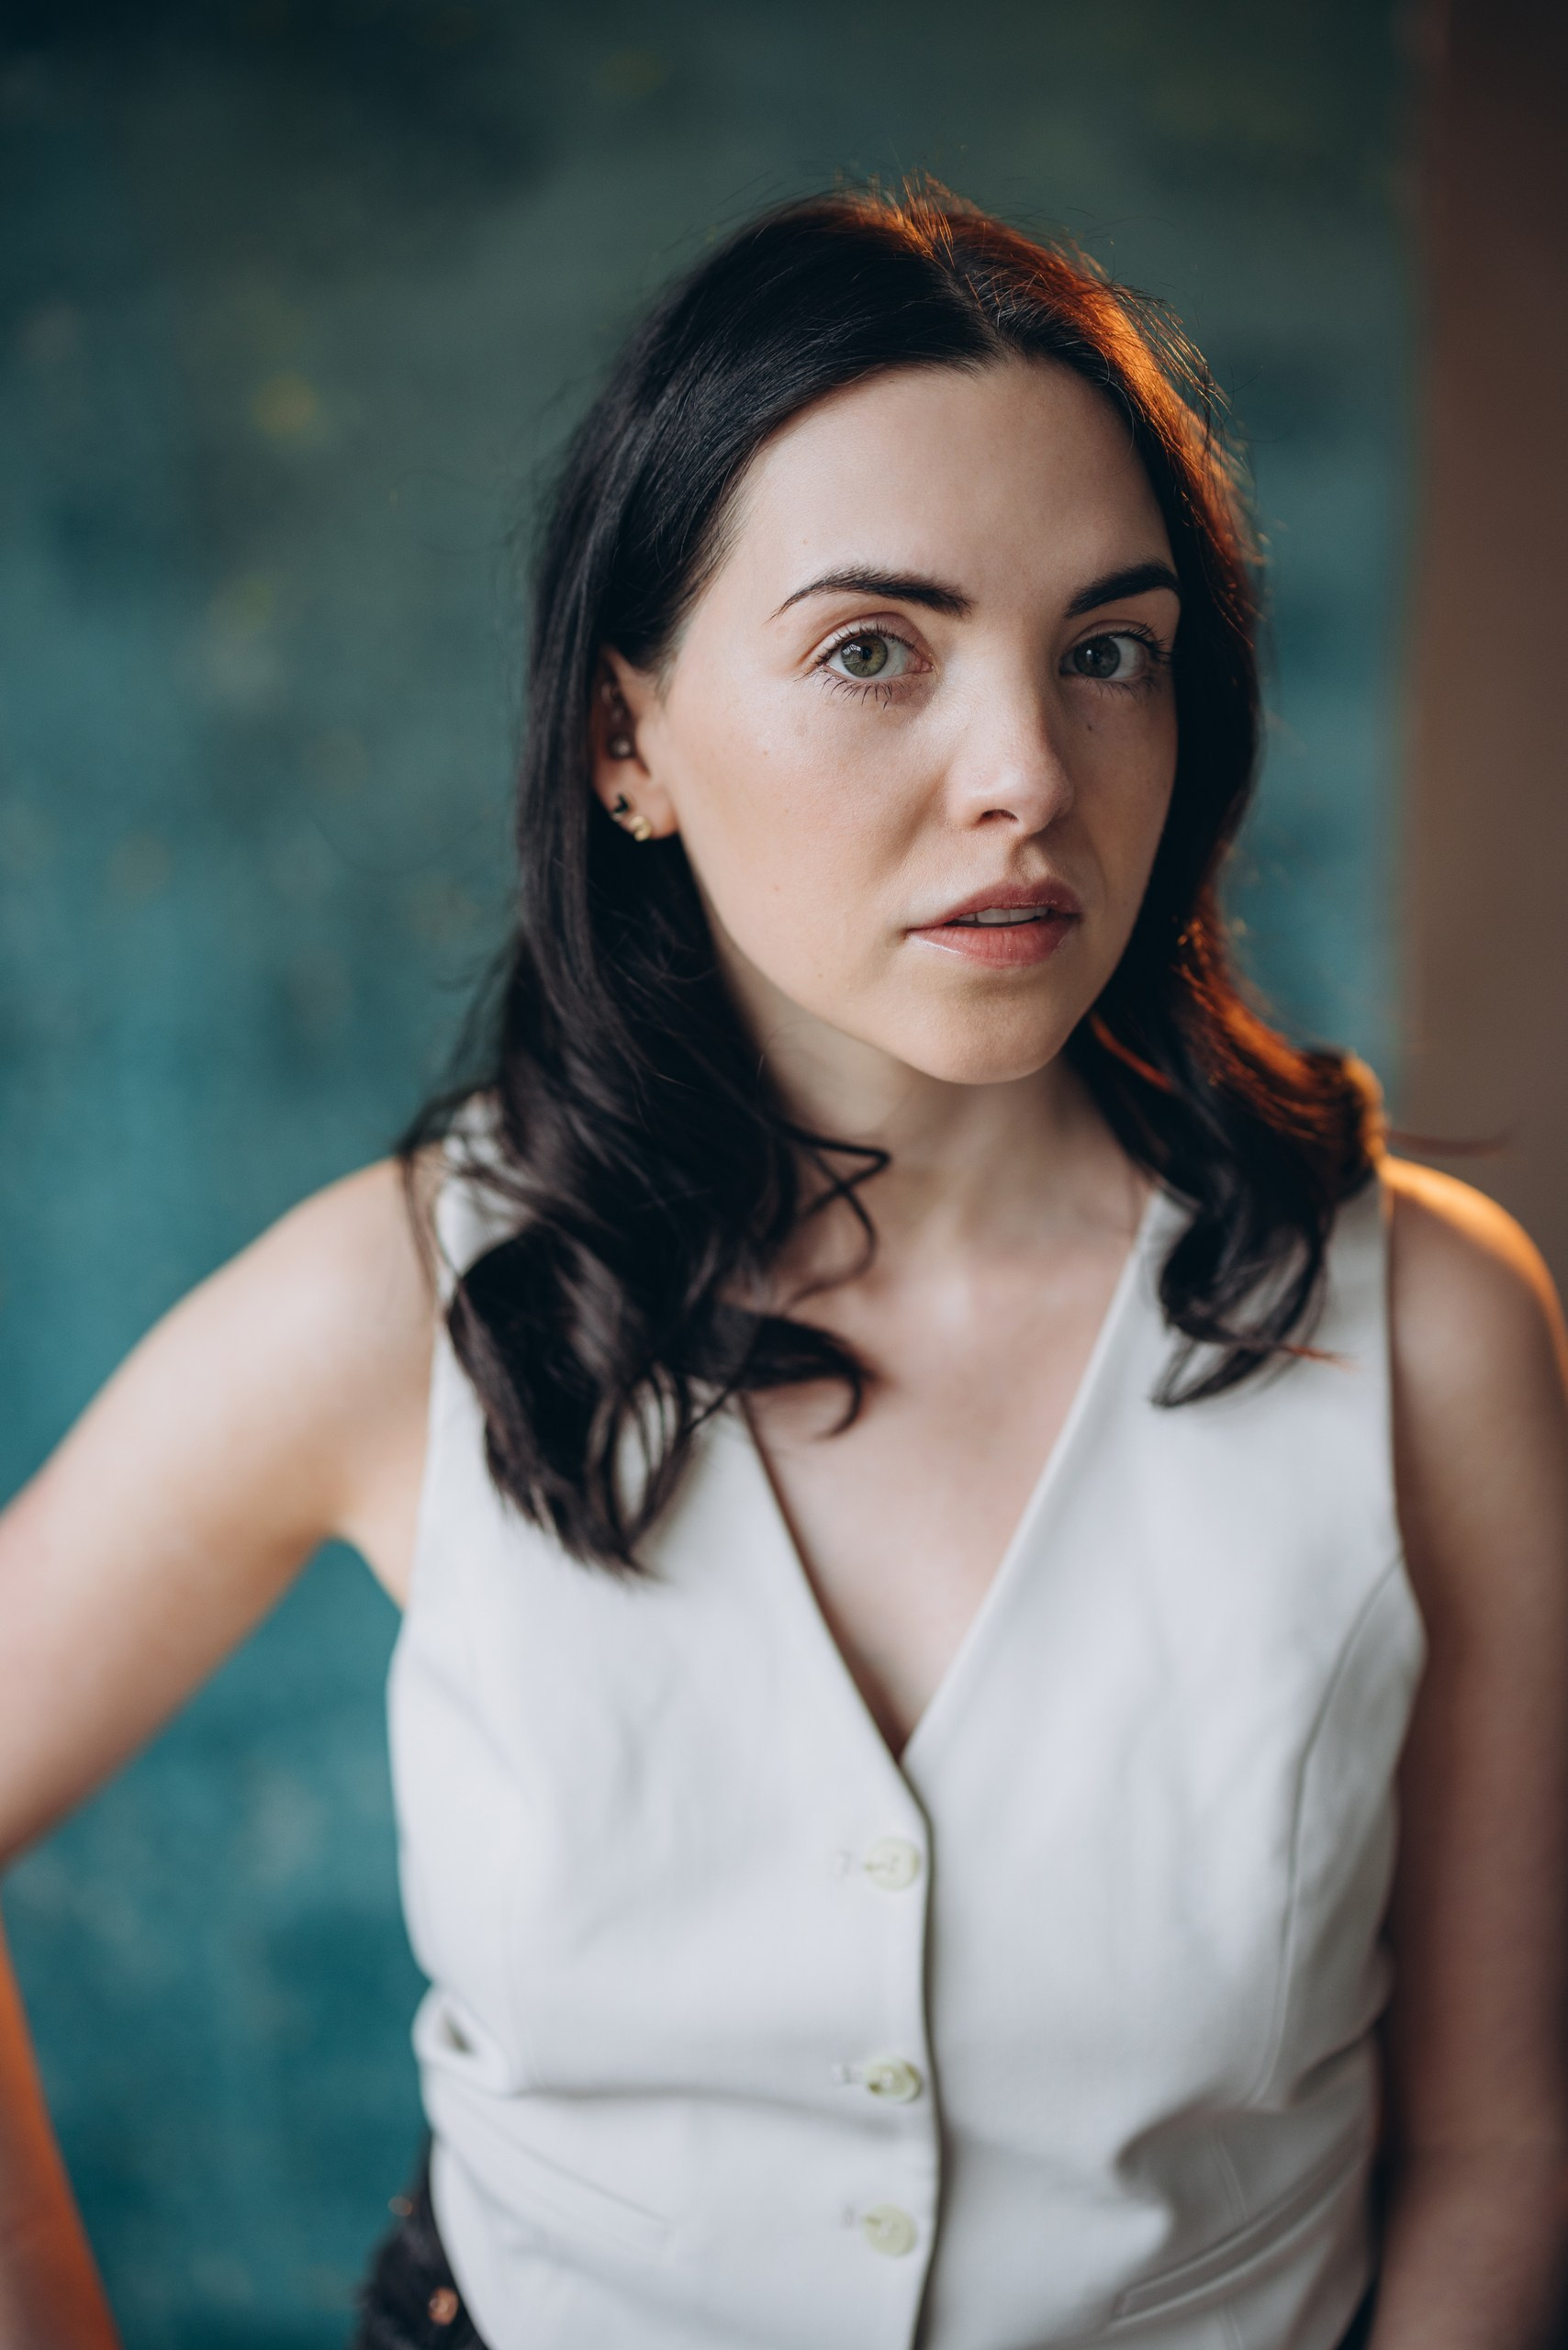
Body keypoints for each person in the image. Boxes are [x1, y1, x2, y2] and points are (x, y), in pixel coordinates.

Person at [0, 185, 1564, 2350]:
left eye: (1105, 649)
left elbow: (1490, 2141)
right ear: (623, 737)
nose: (1023, 775)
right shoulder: (396, 1306)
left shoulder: (1431, 1330)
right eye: (868, 649)